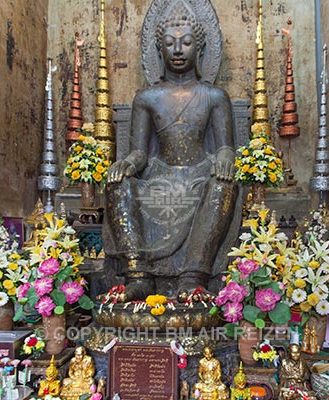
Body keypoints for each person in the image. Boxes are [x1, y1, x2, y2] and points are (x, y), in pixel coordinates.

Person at [104, 0, 238, 301]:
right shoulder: (147, 97)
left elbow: (225, 146)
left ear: (200, 48)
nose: (178, 50)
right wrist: (126, 163)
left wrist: (226, 157)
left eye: (187, 42)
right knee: (116, 184)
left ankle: (194, 276)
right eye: (170, 43)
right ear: (159, 49)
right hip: (159, 175)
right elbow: (139, 152)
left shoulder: (214, 96)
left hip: (200, 173)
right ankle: (138, 275)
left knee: (224, 186)